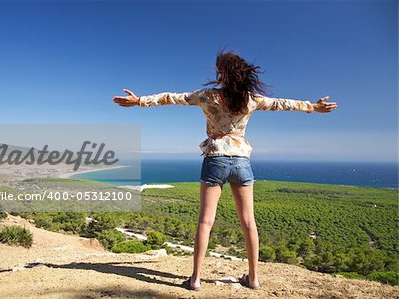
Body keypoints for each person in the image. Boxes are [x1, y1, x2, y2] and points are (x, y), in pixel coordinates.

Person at [112, 51, 337, 291]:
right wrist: (312, 107)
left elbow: (171, 97)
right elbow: (282, 104)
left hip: (215, 158)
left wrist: (139, 101)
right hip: (242, 161)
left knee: (205, 221)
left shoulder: (207, 96)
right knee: (249, 222)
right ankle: (253, 278)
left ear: (221, 73)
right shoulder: (251, 99)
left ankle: (196, 279)